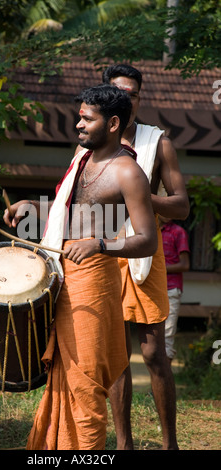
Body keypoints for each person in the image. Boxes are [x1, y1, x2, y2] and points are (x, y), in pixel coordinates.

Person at [3, 84, 158, 450]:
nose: (79, 126)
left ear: (114, 123)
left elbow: (147, 240)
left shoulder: (128, 172)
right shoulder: (82, 160)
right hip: (62, 275)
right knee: (64, 374)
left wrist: (100, 244)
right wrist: (32, 206)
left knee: (85, 381)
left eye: (88, 119)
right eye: (79, 118)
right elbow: (70, 216)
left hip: (94, 281)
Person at [101, 64, 190, 450]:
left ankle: (170, 444)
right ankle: (124, 445)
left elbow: (182, 206)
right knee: (115, 354)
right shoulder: (91, 140)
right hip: (103, 249)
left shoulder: (159, 143)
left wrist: (138, 193)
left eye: (133, 93)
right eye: (118, 91)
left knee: (154, 354)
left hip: (143, 248)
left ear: (139, 98)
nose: (126, 97)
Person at [159, 216, 190, 362]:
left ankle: (163, 382)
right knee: (151, 342)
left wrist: (160, 269)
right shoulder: (148, 230)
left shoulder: (178, 232)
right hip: (152, 290)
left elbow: (185, 265)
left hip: (171, 289)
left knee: (166, 339)